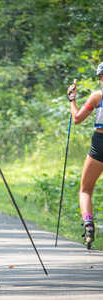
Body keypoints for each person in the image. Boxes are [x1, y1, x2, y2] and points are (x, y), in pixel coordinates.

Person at [67, 62, 103, 248]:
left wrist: (72, 100)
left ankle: (88, 225)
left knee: (85, 189)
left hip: (100, 143)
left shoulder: (98, 96)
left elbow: (77, 119)